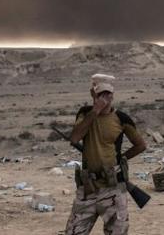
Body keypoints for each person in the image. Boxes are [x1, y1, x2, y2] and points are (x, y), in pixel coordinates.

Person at [64, 73, 147, 235]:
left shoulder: (121, 118)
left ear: (113, 95)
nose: (105, 97)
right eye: (101, 94)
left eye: (108, 94)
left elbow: (140, 145)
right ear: (92, 93)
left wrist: (121, 158)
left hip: (113, 187)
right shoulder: (85, 114)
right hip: (88, 188)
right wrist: (95, 111)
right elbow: (74, 138)